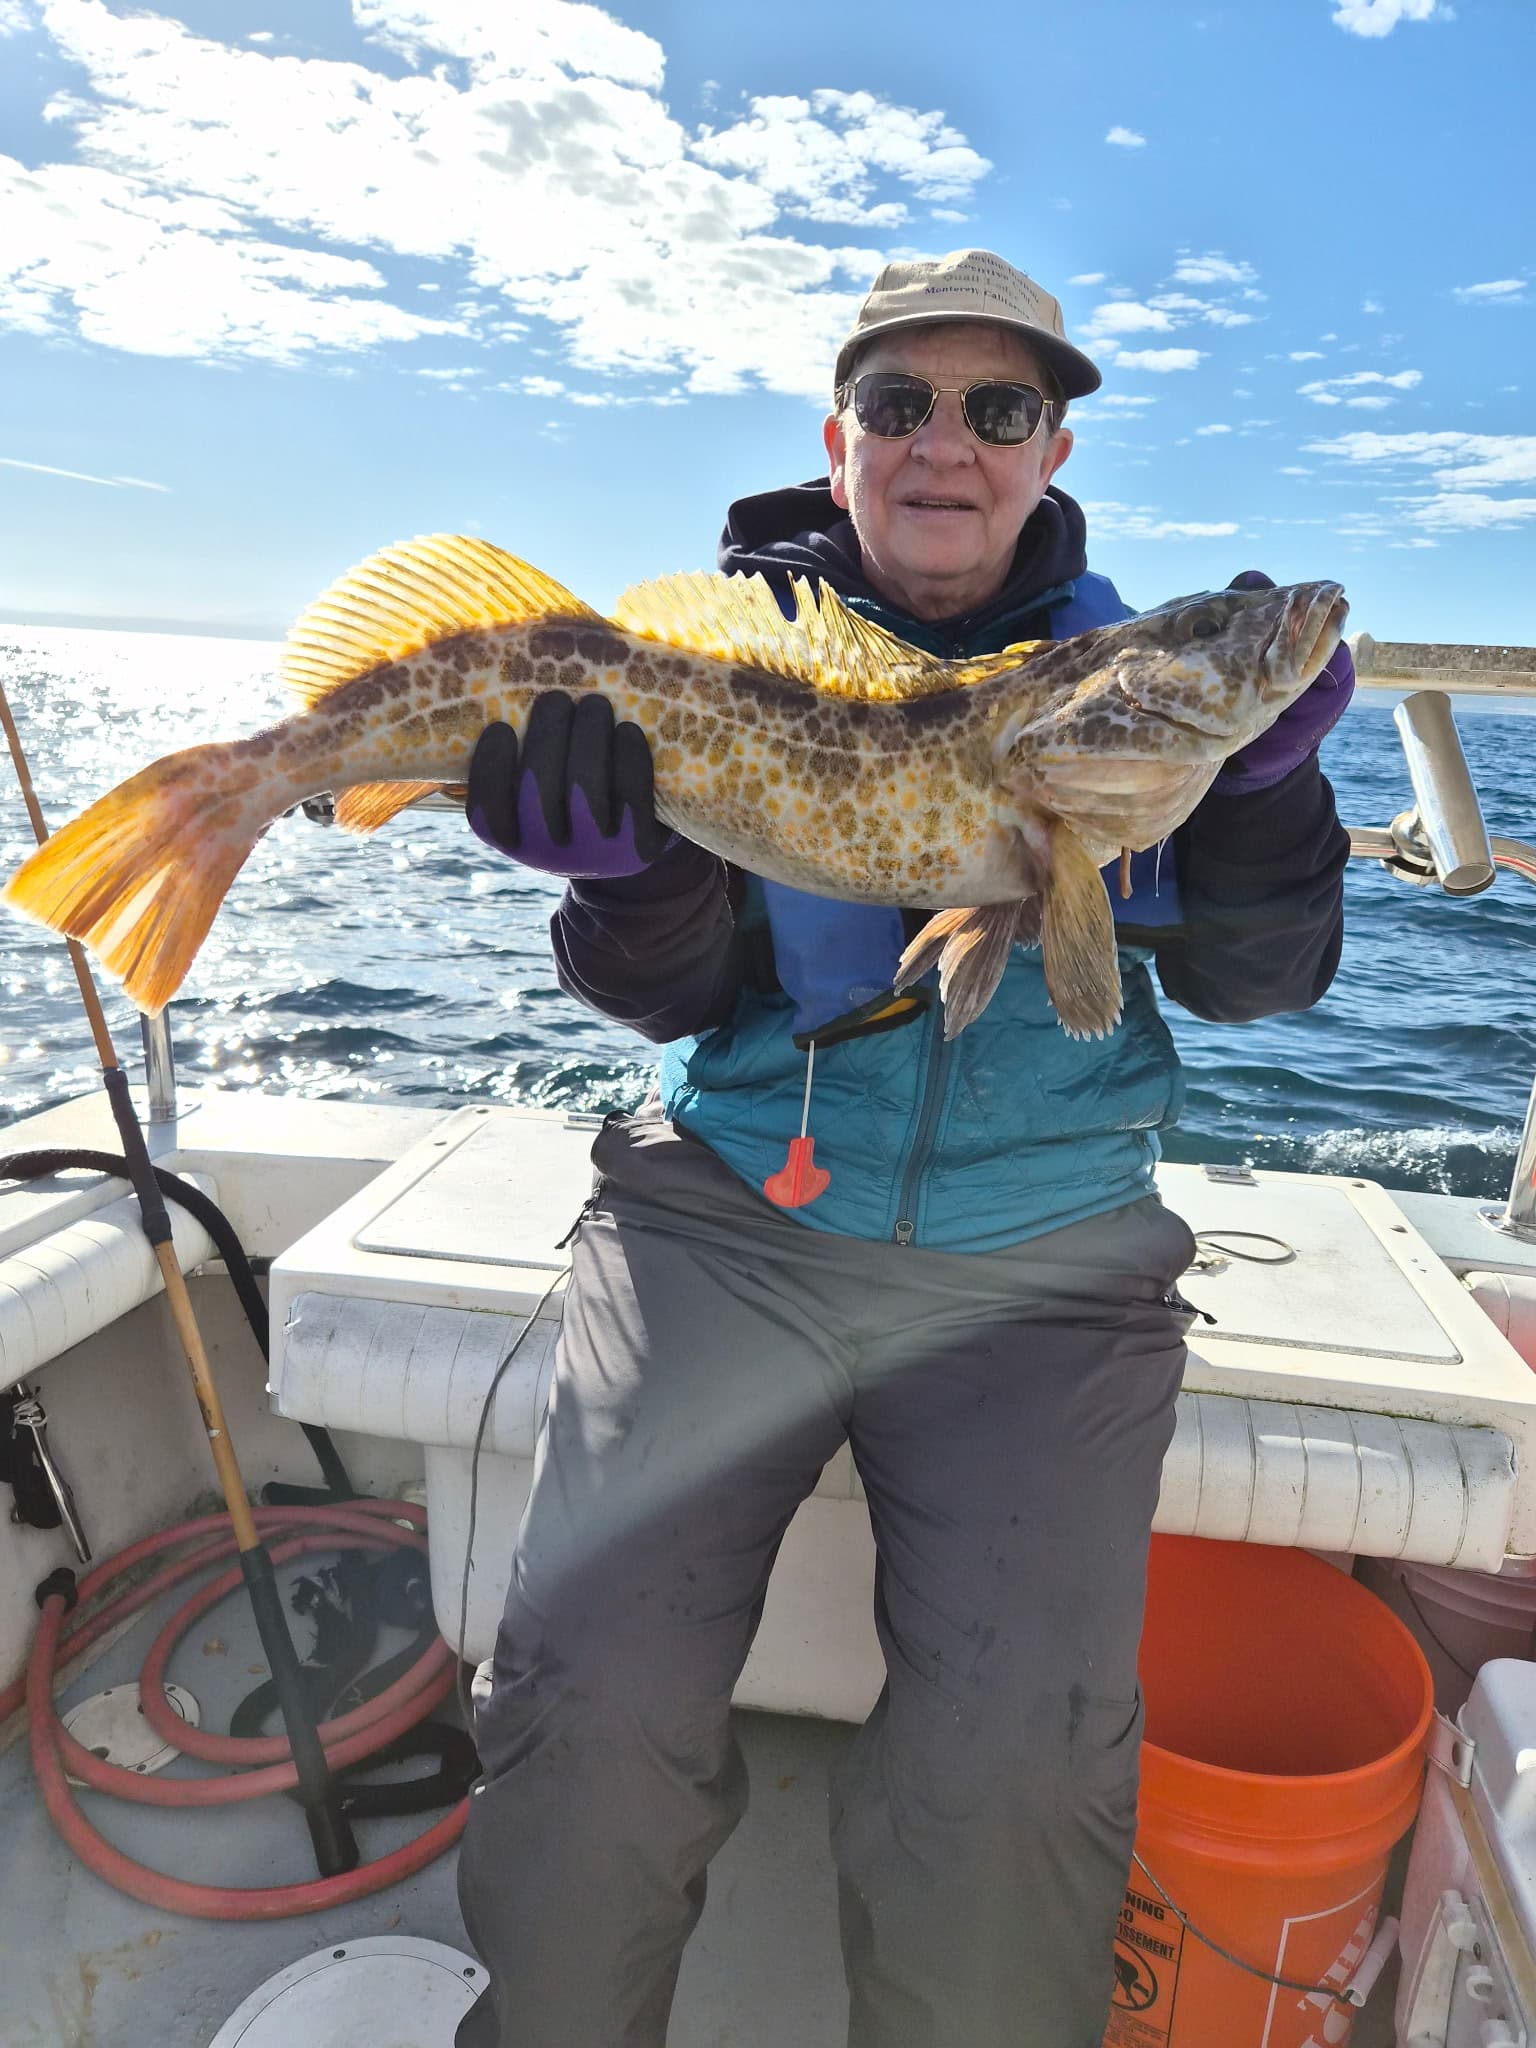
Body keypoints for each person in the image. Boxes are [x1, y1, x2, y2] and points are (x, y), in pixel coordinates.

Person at [453, 249, 1354, 2048]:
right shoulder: (720, 670)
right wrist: (627, 882)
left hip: (1050, 1263)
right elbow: (671, 997)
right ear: (839, 439)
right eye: (900, 401)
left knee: (1021, 1762)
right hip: (731, 1216)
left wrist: (1266, 796)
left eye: (998, 407)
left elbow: (1263, 986)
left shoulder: (1118, 697)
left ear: (1050, 451)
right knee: (589, 1692)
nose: (948, 442)